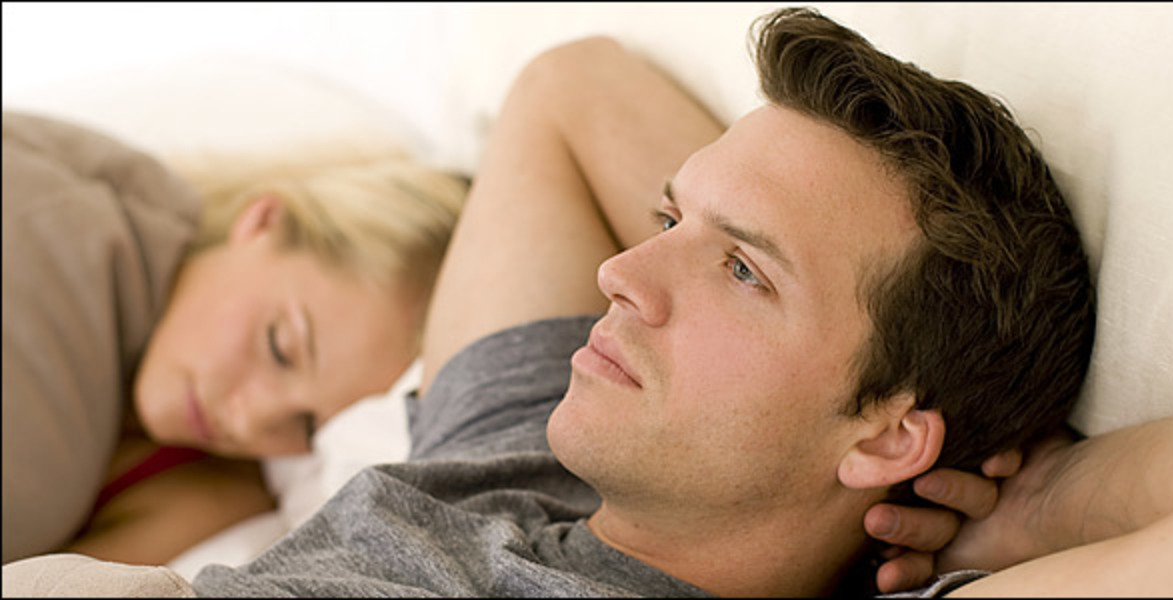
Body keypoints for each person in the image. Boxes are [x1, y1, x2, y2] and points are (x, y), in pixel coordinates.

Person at [182, 6, 1103, 596]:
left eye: (743, 272)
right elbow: (570, 88)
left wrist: (1043, 503)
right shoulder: (514, 457)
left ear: (890, 437)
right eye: (668, 218)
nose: (621, 273)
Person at [1, 110, 468, 566]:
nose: (249, 422)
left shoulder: (210, 494)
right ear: (262, 221)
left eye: (306, 425)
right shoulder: (52, 218)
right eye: (280, 349)